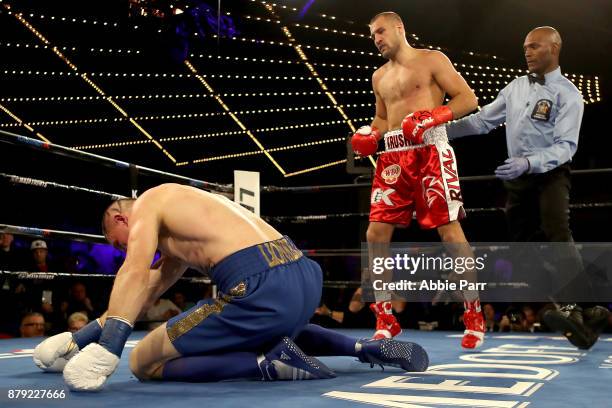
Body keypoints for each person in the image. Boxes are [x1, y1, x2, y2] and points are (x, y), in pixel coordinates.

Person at [33, 184, 428, 391]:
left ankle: (268, 365)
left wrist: (110, 350)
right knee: (271, 327)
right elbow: (145, 291)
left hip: (258, 284)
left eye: (116, 242)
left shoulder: (149, 203)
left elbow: (134, 272)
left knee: (144, 363)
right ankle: (365, 349)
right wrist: (79, 339)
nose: (122, 249)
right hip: (303, 276)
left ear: (120, 218)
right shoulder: (187, 213)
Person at [446, 26, 610, 348]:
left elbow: (566, 146)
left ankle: (574, 308)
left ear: (554, 48)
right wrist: (441, 131)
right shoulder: (515, 88)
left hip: (550, 171)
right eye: (525, 47)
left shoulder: (569, 94)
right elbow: (482, 121)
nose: (528, 52)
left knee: (557, 232)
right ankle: (589, 308)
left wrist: (530, 161)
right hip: (517, 179)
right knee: (525, 245)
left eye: (534, 46)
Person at [350, 11, 484, 348]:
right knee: (375, 233)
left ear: (399, 28)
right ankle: (385, 319)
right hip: (392, 158)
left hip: (430, 151)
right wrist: (369, 132)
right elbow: (382, 118)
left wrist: (433, 116)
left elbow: (468, 100)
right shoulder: (378, 76)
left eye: (380, 31)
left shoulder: (431, 60)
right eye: (372, 35)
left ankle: (473, 314)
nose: (377, 38)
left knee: (450, 232)